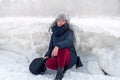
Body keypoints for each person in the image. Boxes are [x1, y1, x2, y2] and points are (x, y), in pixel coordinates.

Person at [43, 12, 83, 80]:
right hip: (59, 59)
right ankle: (61, 67)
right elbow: (51, 47)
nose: (60, 22)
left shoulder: (69, 32)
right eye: (59, 20)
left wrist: (58, 46)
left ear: (66, 22)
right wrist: (47, 55)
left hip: (70, 57)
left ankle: (60, 74)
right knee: (48, 63)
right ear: (56, 21)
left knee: (62, 49)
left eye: (63, 20)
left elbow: (68, 41)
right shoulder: (54, 34)